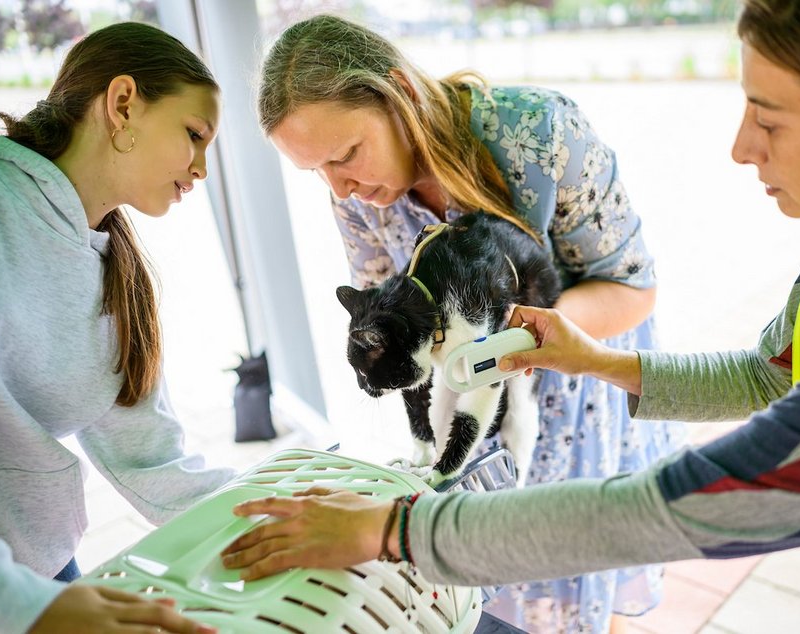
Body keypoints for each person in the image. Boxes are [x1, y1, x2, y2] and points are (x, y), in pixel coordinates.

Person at [221, 1, 800, 632]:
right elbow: (767, 373)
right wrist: (596, 358)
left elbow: (685, 511)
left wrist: (391, 529)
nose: (740, 146)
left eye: (770, 118)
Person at [255, 12, 686, 632]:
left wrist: (525, 337)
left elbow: (632, 286)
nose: (341, 189)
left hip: (578, 394)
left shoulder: (540, 134)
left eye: (347, 155)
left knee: (577, 597)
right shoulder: (354, 197)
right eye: (317, 171)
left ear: (400, 92)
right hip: (474, 405)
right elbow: (393, 317)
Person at [0, 22, 235, 634]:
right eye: (194, 135)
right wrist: (21, 604)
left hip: (40, 573)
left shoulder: (113, 270)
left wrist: (278, 508)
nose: (201, 167)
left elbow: (152, 458)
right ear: (123, 103)